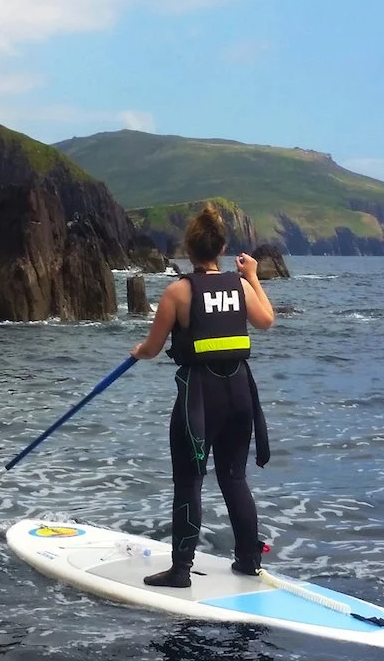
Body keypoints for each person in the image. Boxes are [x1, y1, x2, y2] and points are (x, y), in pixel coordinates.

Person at [130, 204, 276, 588]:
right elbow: (266, 321)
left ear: (188, 249)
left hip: (200, 397)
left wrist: (137, 352)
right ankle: (247, 560)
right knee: (234, 477)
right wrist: (253, 277)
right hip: (241, 393)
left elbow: (152, 347)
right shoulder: (239, 286)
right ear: (222, 248)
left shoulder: (178, 292)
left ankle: (181, 570)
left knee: (189, 480)